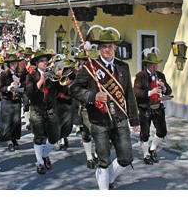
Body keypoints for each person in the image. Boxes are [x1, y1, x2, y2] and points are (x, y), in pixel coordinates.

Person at [70, 26, 139, 190]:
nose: (107, 50)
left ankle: (109, 179)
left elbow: (129, 94)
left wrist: (134, 119)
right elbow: (73, 89)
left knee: (126, 157)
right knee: (104, 160)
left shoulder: (123, 67)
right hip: (99, 120)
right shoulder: (90, 67)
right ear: (99, 48)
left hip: (120, 118)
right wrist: (93, 96)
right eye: (103, 46)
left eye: (110, 46)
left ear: (115, 47)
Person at [133, 49, 173, 164]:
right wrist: (151, 92)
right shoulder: (140, 76)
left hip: (158, 107)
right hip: (145, 108)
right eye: (153, 66)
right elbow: (137, 92)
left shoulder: (161, 75)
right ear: (148, 65)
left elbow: (168, 91)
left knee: (162, 131)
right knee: (145, 133)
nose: (155, 68)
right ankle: (146, 155)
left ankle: (152, 148)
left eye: (157, 65)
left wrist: (164, 87)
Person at [25, 48, 60, 174]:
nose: (45, 63)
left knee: (55, 136)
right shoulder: (31, 76)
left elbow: (60, 88)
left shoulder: (51, 74)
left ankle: (45, 155)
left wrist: (61, 78)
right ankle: (39, 162)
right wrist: (41, 80)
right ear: (37, 63)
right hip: (37, 109)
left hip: (50, 109)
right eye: (42, 61)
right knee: (39, 137)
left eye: (46, 61)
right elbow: (30, 93)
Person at [73, 48, 99, 169]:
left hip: (100, 106)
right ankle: (89, 157)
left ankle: (98, 154)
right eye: (83, 61)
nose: (84, 63)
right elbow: (76, 91)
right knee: (88, 132)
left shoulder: (100, 72)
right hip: (86, 107)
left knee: (99, 132)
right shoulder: (81, 73)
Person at [0, 52, 24, 151]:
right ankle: (9, 140)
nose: (14, 65)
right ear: (9, 64)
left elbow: (23, 87)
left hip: (16, 100)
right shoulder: (4, 74)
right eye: (12, 63)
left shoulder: (19, 73)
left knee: (16, 121)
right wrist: (9, 87)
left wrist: (19, 84)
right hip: (7, 100)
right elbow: (1, 88)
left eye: (15, 63)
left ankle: (14, 138)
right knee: (7, 121)